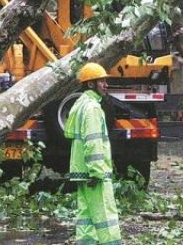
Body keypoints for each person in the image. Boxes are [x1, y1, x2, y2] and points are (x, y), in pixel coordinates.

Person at [64, 62, 121, 245]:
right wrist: (97, 172)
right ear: (90, 84)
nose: (106, 85)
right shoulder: (93, 108)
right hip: (94, 174)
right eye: (101, 81)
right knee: (106, 216)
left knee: (86, 217)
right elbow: (93, 142)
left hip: (82, 172)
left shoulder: (81, 105)